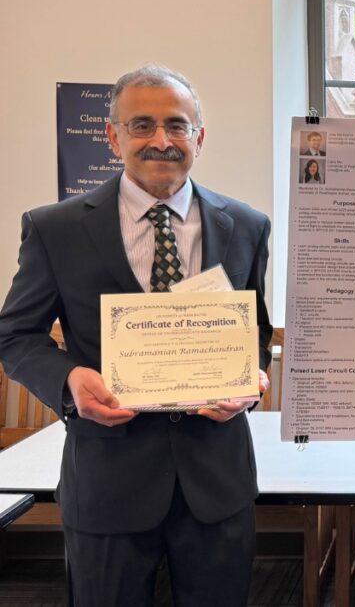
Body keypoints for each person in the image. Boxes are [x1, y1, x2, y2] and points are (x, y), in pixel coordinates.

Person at [0, 65, 273, 607]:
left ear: (199, 136)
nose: (160, 140)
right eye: (142, 125)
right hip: (107, 479)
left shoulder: (245, 225)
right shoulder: (56, 228)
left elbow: (255, 332)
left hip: (216, 479)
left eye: (176, 125)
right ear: (113, 135)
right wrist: (69, 380)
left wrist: (252, 379)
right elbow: (15, 336)